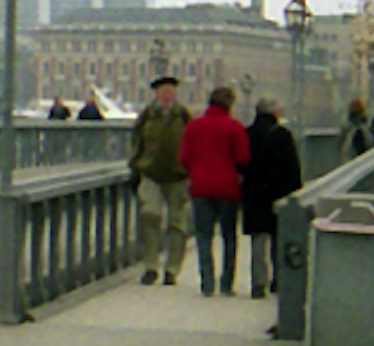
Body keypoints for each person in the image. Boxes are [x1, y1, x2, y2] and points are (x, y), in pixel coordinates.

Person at [182, 83, 256, 296]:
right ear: (230, 104)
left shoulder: (194, 126)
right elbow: (243, 157)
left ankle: (207, 282)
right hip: (228, 188)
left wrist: (195, 172)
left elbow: (183, 157)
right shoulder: (234, 127)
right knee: (228, 236)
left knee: (203, 235)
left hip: (201, 187)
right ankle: (226, 283)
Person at [128, 75, 193, 286]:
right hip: (151, 173)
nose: (167, 95)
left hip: (178, 176)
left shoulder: (183, 116)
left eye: (170, 92)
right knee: (150, 216)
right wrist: (135, 165)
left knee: (177, 224)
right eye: (164, 91)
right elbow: (136, 142)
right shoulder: (147, 116)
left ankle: (172, 268)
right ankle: (150, 266)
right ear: (156, 94)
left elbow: (193, 144)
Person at [244, 96, 306, 296]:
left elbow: (241, 163)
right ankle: (278, 280)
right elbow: (292, 168)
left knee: (258, 239)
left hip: (254, 193)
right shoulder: (283, 135)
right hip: (278, 193)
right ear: (274, 113)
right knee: (278, 237)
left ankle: (258, 283)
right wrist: (296, 193)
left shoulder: (247, 134)